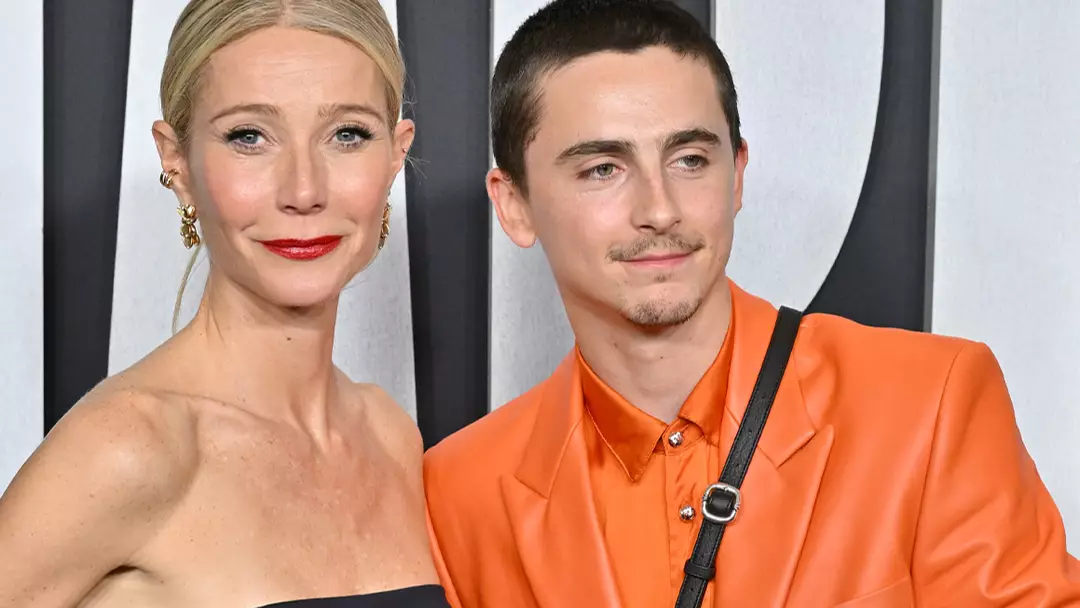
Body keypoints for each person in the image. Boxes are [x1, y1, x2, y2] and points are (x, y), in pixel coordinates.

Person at [422, 1, 1080, 606]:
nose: (659, 209)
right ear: (514, 205)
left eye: (689, 159)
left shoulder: (930, 404)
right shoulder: (460, 492)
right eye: (603, 169)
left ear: (736, 175)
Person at [0, 1, 450, 606]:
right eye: (249, 137)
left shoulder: (392, 438)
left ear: (395, 153)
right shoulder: (128, 449)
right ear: (176, 161)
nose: (304, 190)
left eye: (347, 134)